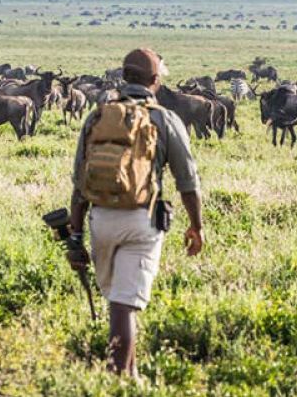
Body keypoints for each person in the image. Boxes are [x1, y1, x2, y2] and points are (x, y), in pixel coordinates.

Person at [70, 48, 204, 377]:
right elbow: (188, 180)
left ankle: (130, 377)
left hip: (100, 219)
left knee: (119, 302)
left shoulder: (97, 116)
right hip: (142, 220)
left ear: (123, 76)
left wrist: (75, 236)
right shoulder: (165, 118)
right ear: (155, 81)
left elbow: (79, 183)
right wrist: (196, 226)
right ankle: (118, 380)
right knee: (123, 305)